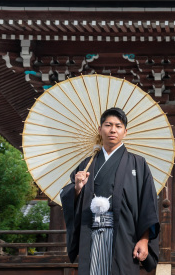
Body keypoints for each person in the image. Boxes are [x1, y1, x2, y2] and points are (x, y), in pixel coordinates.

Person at [60, 107, 160, 275]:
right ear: (100, 129)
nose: (113, 130)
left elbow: (147, 205)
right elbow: (69, 198)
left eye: (118, 126)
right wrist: (77, 188)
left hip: (123, 235)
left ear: (125, 132)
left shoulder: (138, 164)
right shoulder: (86, 164)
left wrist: (144, 239)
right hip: (90, 231)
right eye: (108, 125)